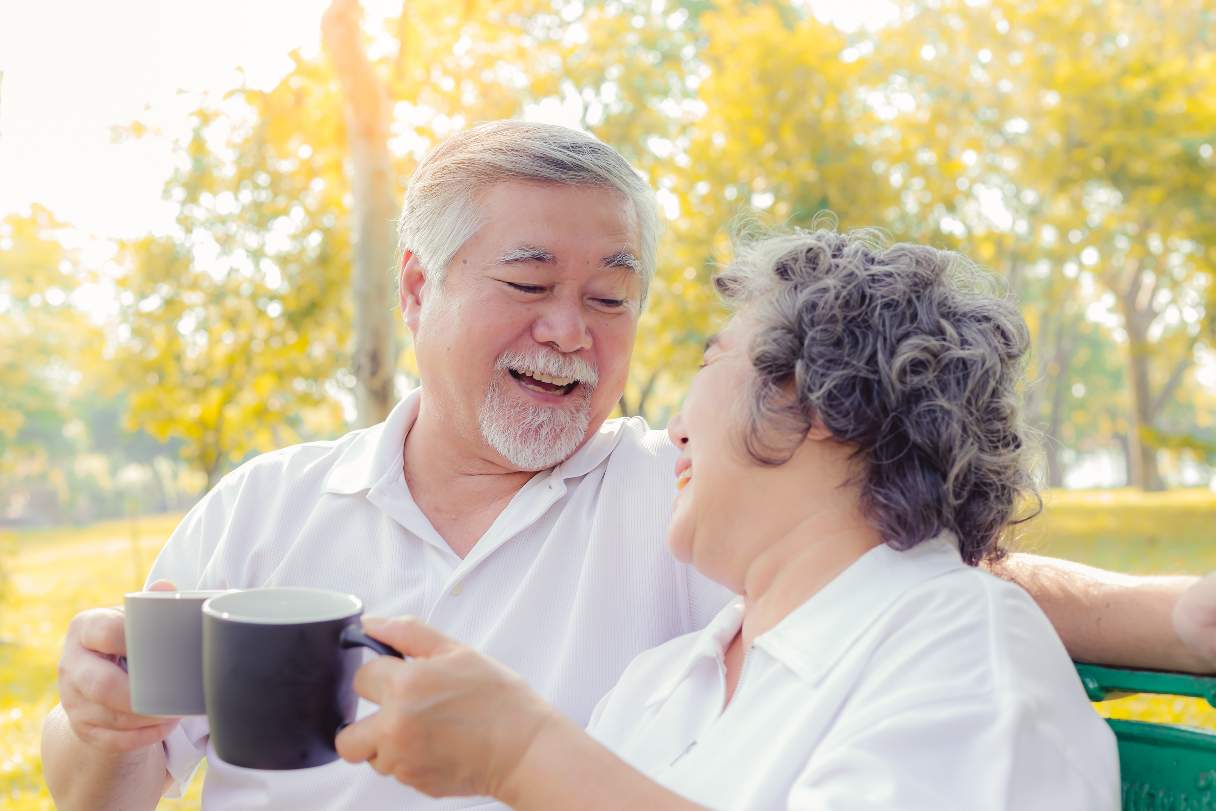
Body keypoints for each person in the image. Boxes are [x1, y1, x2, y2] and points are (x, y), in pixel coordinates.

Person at [40, 121, 1213, 811]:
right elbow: (110, 788)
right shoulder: (264, 509)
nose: (572, 331)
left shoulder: (681, 501)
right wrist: (100, 731)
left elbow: (904, 572)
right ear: (417, 289)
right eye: (528, 283)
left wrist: (1181, 616)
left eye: (612, 298)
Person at [331, 227, 1121, 809]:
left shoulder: (965, 648)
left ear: (819, 401)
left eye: (712, 360)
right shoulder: (660, 682)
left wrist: (522, 752)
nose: (674, 427)